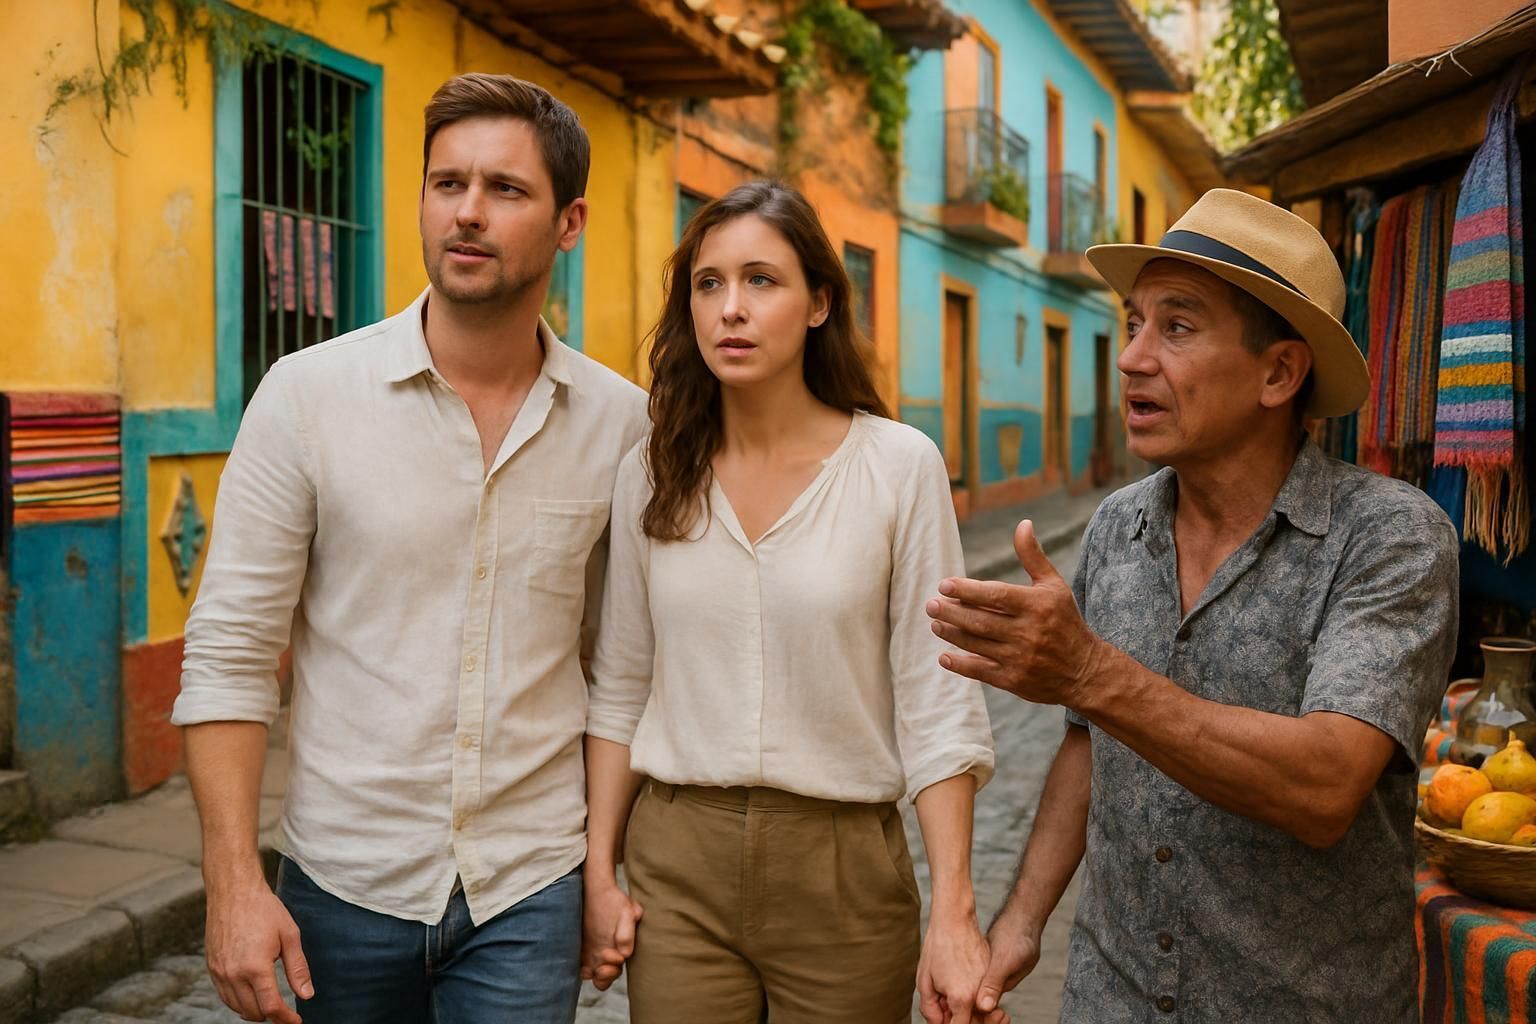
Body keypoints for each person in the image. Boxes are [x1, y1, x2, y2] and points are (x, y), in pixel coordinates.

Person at [172, 73, 648, 1024]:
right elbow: (228, 655)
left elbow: (620, 669)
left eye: (506, 190)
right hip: (341, 886)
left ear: (569, 222)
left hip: (530, 888)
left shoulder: (622, 424)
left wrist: (602, 867)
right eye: (447, 184)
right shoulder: (306, 397)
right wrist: (232, 885)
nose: (468, 214)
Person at [927, 188, 1460, 1023]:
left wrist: (1089, 671)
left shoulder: (1390, 537)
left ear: (1279, 372)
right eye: (1134, 322)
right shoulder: (1114, 528)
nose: (1134, 356)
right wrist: (1020, 925)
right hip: (1113, 998)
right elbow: (1084, 742)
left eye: (1176, 327)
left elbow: (1325, 788)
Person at [580, 180, 999, 1024]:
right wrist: (598, 875)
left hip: (843, 871)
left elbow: (938, 697)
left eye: (761, 281)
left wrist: (953, 909)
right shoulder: (652, 473)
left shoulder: (898, 467)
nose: (730, 308)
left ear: (819, 303)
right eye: (709, 284)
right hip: (678, 869)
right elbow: (621, 682)